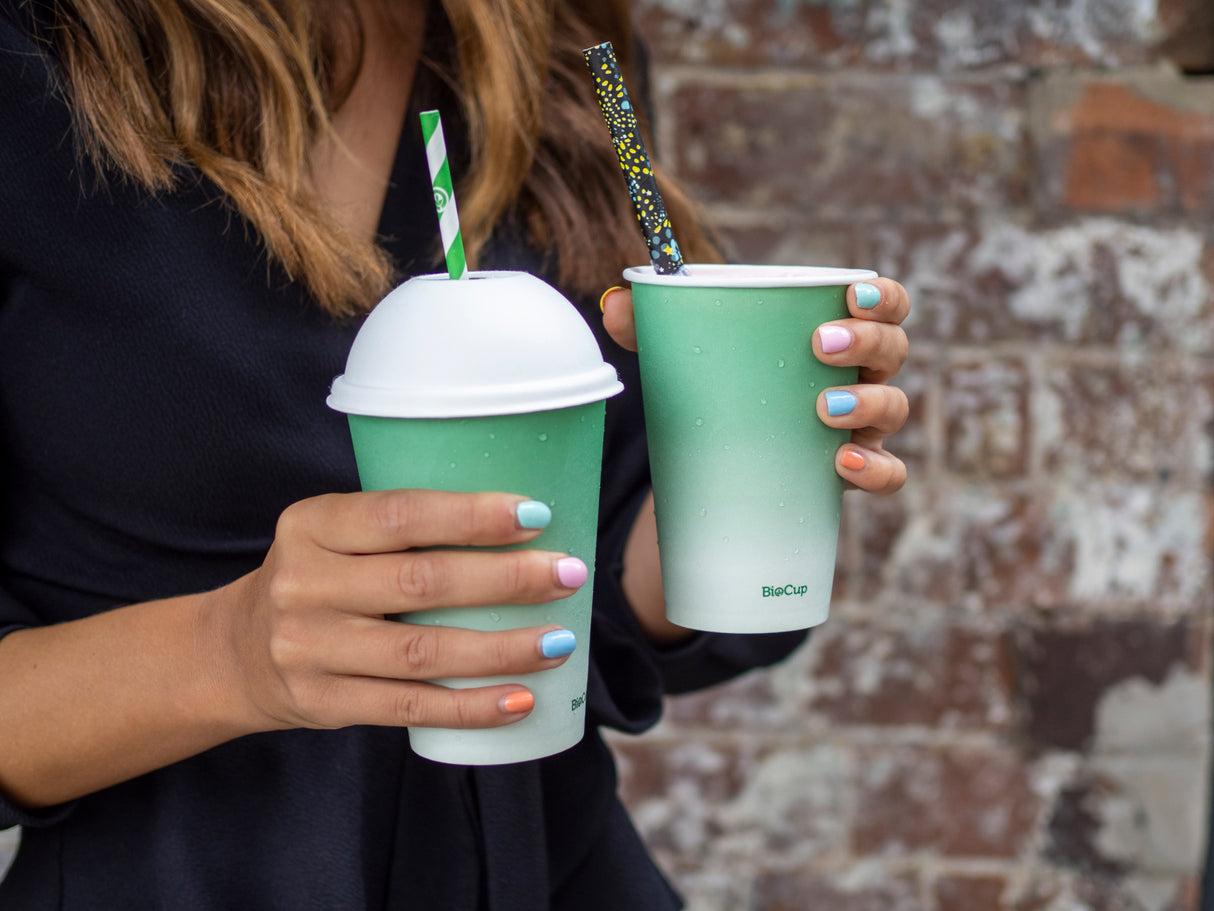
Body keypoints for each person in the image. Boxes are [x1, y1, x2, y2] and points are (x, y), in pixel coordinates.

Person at [0, 0, 911, 907]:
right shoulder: (34, 52)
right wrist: (231, 654)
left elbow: (596, 585)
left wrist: (744, 478)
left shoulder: (559, 48)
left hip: (552, 873)